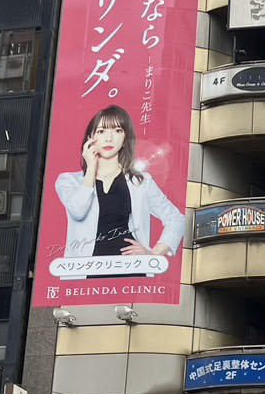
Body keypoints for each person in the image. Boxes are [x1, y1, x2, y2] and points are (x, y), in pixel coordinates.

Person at [55, 105, 186, 280]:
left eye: (117, 130)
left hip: (130, 270)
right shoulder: (69, 181)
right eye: (101, 131)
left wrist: (154, 254)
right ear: (90, 139)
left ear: (125, 138)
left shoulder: (141, 181)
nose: (109, 138)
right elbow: (78, 211)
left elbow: (176, 219)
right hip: (85, 272)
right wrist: (91, 168)